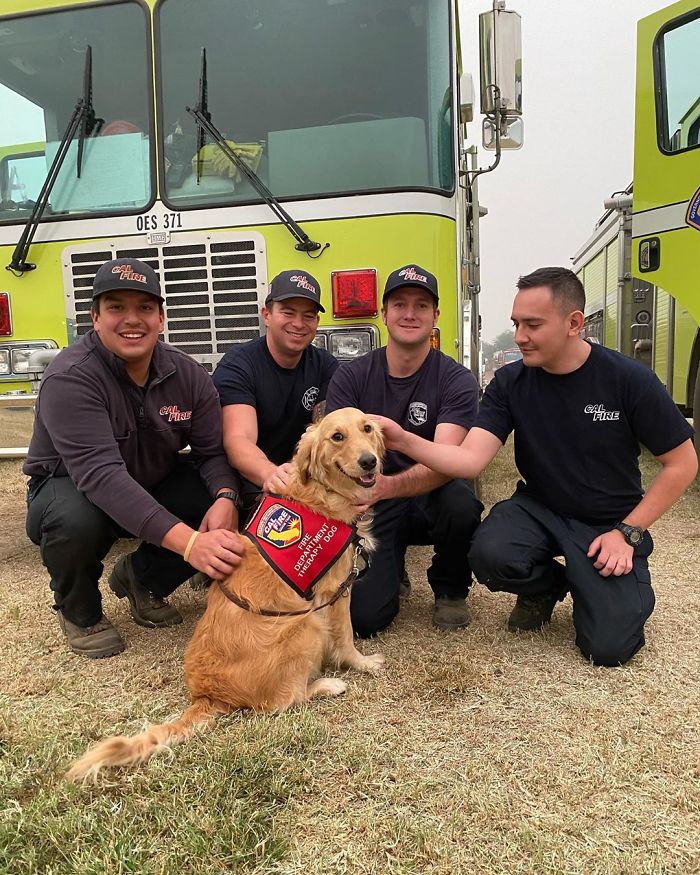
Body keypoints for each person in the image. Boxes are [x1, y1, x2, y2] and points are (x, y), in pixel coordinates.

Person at [376, 267, 697, 666]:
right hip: (539, 509)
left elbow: (682, 463)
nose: (520, 336)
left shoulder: (629, 379)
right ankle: (546, 586)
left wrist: (628, 532)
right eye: (516, 324)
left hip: (607, 521)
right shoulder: (510, 382)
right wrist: (404, 439)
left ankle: (595, 584)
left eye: (532, 324)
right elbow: (470, 459)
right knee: (489, 553)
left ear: (574, 323)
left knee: (609, 649)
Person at [24, 257, 245, 659]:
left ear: (161, 318)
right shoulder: (70, 376)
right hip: (72, 486)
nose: (132, 319)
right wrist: (192, 543)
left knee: (221, 495)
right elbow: (102, 476)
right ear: (94, 317)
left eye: (144, 307)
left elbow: (212, 452)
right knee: (72, 520)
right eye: (116, 307)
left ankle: (142, 579)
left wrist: (227, 496)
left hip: (149, 478)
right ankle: (80, 612)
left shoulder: (187, 374)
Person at [324, 264, 483, 637]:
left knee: (460, 501)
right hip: (372, 497)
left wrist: (390, 480)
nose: (410, 314)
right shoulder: (351, 376)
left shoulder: (455, 379)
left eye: (421, 305)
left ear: (436, 316)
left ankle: (450, 588)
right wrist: (372, 492)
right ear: (384, 313)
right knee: (363, 621)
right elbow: (335, 454)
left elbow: (448, 462)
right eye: (399, 304)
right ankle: (391, 573)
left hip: (430, 491)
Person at [212, 270, 338, 521]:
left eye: (308, 316)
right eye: (288, 312)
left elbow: (326, 432)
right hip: (250, 475)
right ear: (267, 315)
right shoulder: (239, 364)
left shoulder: (325, 365)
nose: (299, 323)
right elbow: (238, 441)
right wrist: (271, 474)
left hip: (302, 472)